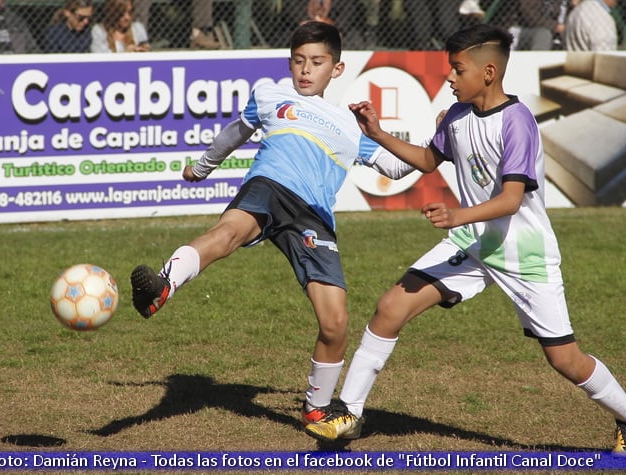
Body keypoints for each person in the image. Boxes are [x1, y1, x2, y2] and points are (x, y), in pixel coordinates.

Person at [304, 23, 626, 458]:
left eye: (457, 69)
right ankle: (349, 414)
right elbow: (429, 161)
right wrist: (376, 133)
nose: (449, 78)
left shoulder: (518, 121)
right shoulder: (456, 115)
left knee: (565, 359)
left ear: (488, 72)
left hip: (522, 251)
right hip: (472, 243)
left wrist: (456, 214)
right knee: (391, 306)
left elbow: (511, 199)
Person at [130, 21, 416, 427]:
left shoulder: (353, 126)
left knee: (335, 322)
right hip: (268, 186)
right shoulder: (269, 94)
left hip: (312, 215)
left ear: (336, 69)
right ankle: (163, 285)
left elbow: (397, 165)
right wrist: (201, 167)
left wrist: (440, 139)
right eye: (299, 61)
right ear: (289, 62)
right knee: (226, 234)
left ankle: (315, 406)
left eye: (316, 62)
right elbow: (234, 134)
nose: (305, 70)